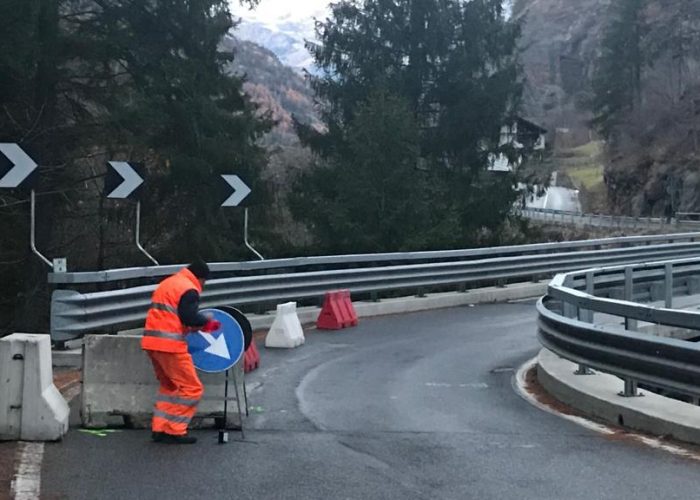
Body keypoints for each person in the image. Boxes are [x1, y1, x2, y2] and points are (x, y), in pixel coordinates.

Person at [141, 260, 220, 444]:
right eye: (204, 282)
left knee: (170, 387)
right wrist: (205, 321)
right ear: (200, 279)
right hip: (171, 346)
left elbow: (171, 317)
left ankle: (160, 428)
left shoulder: (170, 282)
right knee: (192, 388)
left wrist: (192, 326)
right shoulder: (189, 289)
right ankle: (175, 429)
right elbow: (189, 316)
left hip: (152, 343)